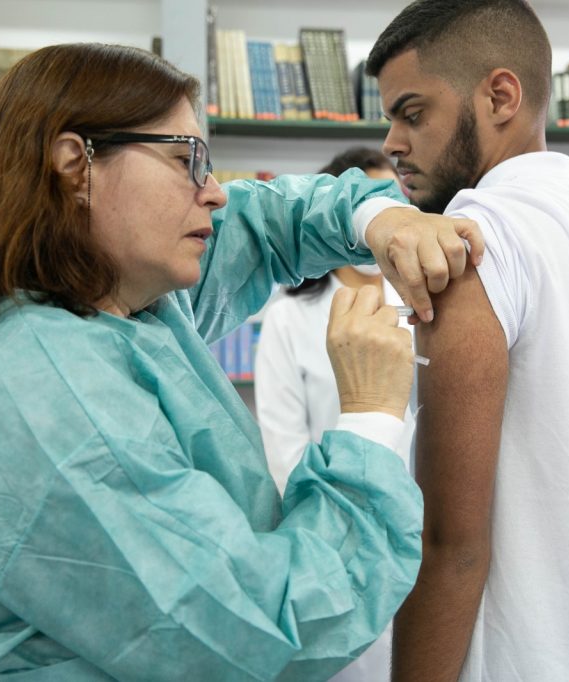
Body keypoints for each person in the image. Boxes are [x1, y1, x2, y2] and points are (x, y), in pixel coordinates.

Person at [0, 43, 485, 682]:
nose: (214, 193)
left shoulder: (124, 297)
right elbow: (257, 628)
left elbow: (266, 220)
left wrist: (377, 215)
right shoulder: (38, 386)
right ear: (75, 164)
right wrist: (370, 419)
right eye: (187, 158)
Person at [366, 1, 569, 679]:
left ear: (500, 96)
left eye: (412, 112)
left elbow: (450, 544)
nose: (392, 142)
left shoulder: (481, 238)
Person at [255, 147, 411, 682]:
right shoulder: (289, 319)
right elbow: (283, 451)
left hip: (428, 535)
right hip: (342, 537)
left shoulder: (429, 304)